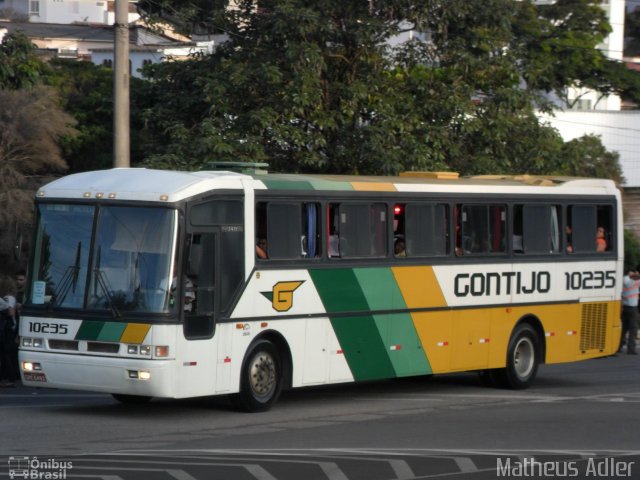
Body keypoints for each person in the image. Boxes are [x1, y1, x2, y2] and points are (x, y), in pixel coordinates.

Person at [0, 276, 18, 387]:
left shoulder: (7, 298)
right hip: (9, 328)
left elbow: (10, 312)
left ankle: (10, 378)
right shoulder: (10, 298)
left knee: (5, 354)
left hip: (8, 329)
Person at [620, 269, 639, 355]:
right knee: (633, 328)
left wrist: (635, 276)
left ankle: (618, 346)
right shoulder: (627, 279)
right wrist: (633, 277)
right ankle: (631, 349)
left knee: (624, 328)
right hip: (631, 307)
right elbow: (629, 284)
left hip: (625, 307)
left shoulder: (626, 279)